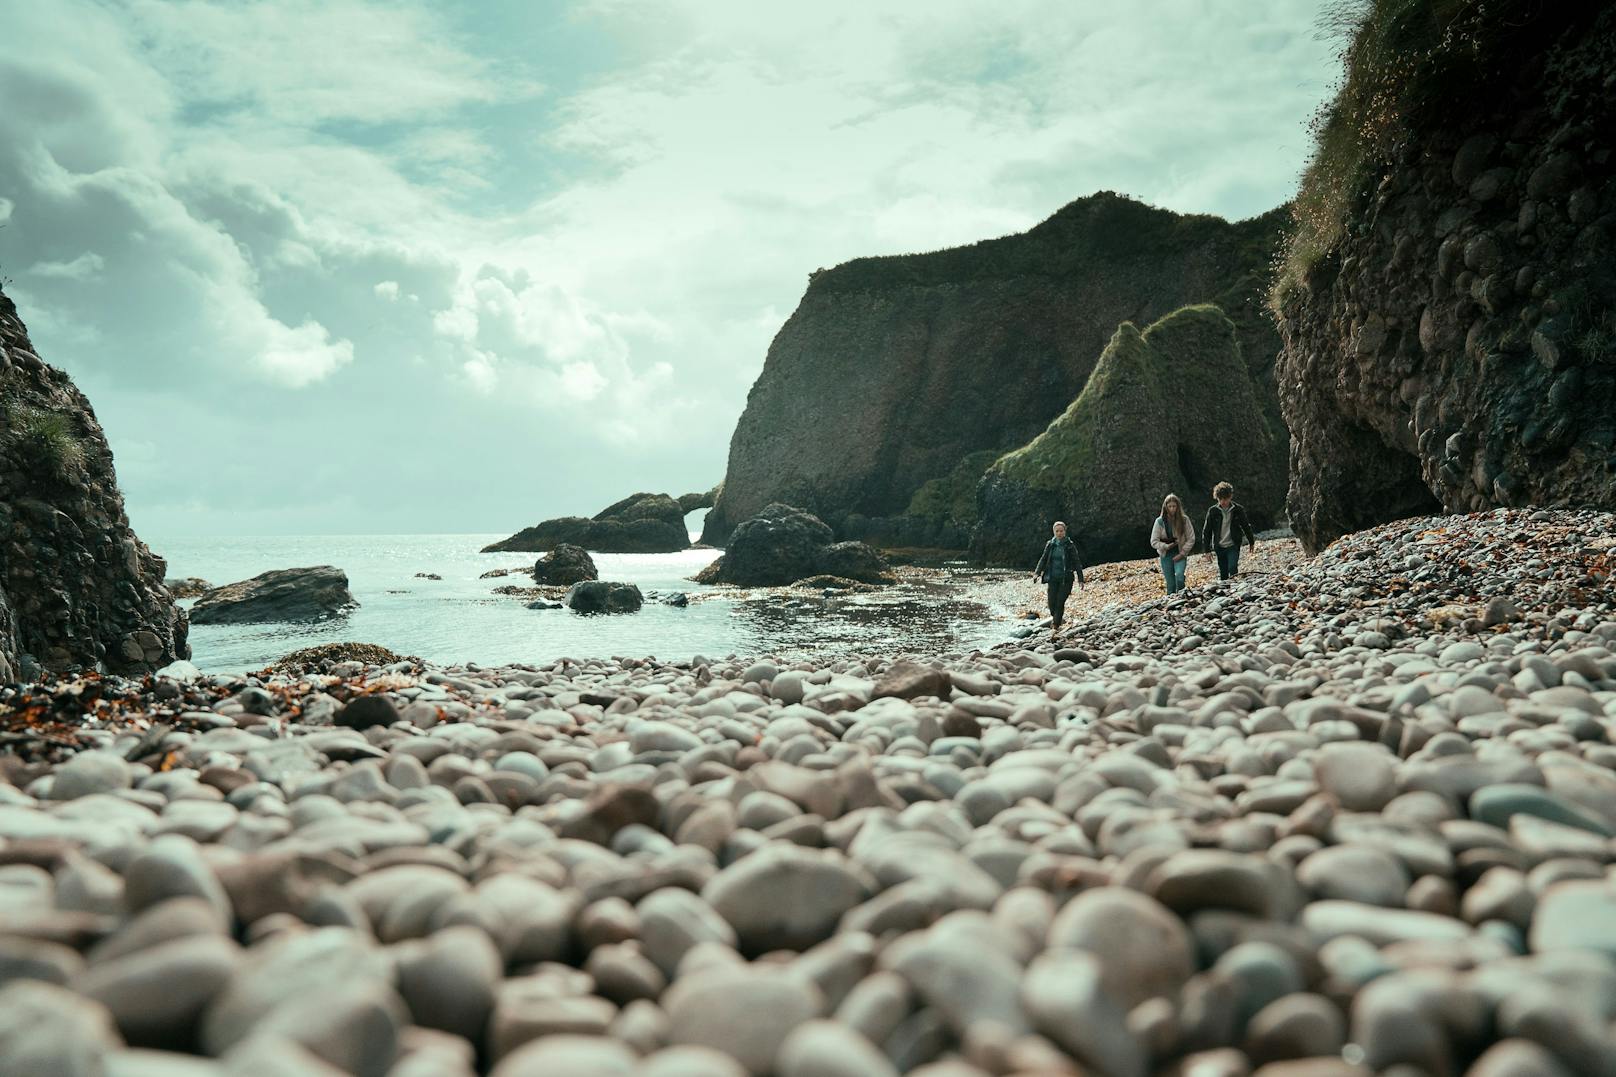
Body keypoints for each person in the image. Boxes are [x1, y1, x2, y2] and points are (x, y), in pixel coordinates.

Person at [1032, 520, 1084, 634]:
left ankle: (1055, 625)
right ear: (1054, 532)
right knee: (1051, 603)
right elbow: (1043, 559)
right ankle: (1056, 619)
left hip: (1066, 579)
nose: (1059, 533)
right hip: (1052, 578)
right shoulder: (1050, 544)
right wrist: (1037, 573)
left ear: (1065, 531)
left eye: (1061, 531)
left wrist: (1081, 579)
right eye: (1057, 531)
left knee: (1060, 602)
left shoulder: (1069, 545)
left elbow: (1077, 562)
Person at [1200, 480, 1257, 581]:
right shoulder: (1213, 511)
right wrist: (1207, 550)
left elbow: (1245, 526)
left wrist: (1251, 542)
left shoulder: (1238, 509)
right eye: (1220, 499)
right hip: (1219, 546)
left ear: (1230, 497)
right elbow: (1207, 531)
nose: (1223, 502)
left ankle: (1235, 588)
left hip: (1233, 544)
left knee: (1232, 567)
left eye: (1225, 499)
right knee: (1223, 572)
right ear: (1217, 498)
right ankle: (1226, 592)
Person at [1150, 493, 1194, 595]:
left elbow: (1191, 538)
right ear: (1165, 507)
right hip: (1165, 555)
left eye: (1174, 506)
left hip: (1180, 553)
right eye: (1169, 506)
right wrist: (1165, 546)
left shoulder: (1184, 520)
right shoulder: (1159, 522)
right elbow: (1153, 541)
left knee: (1179, 577)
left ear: (1178, 506)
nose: (1172, 509)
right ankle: (1172, 605)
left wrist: (1182, 553)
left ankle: (1182, 596)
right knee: (1170, 585)